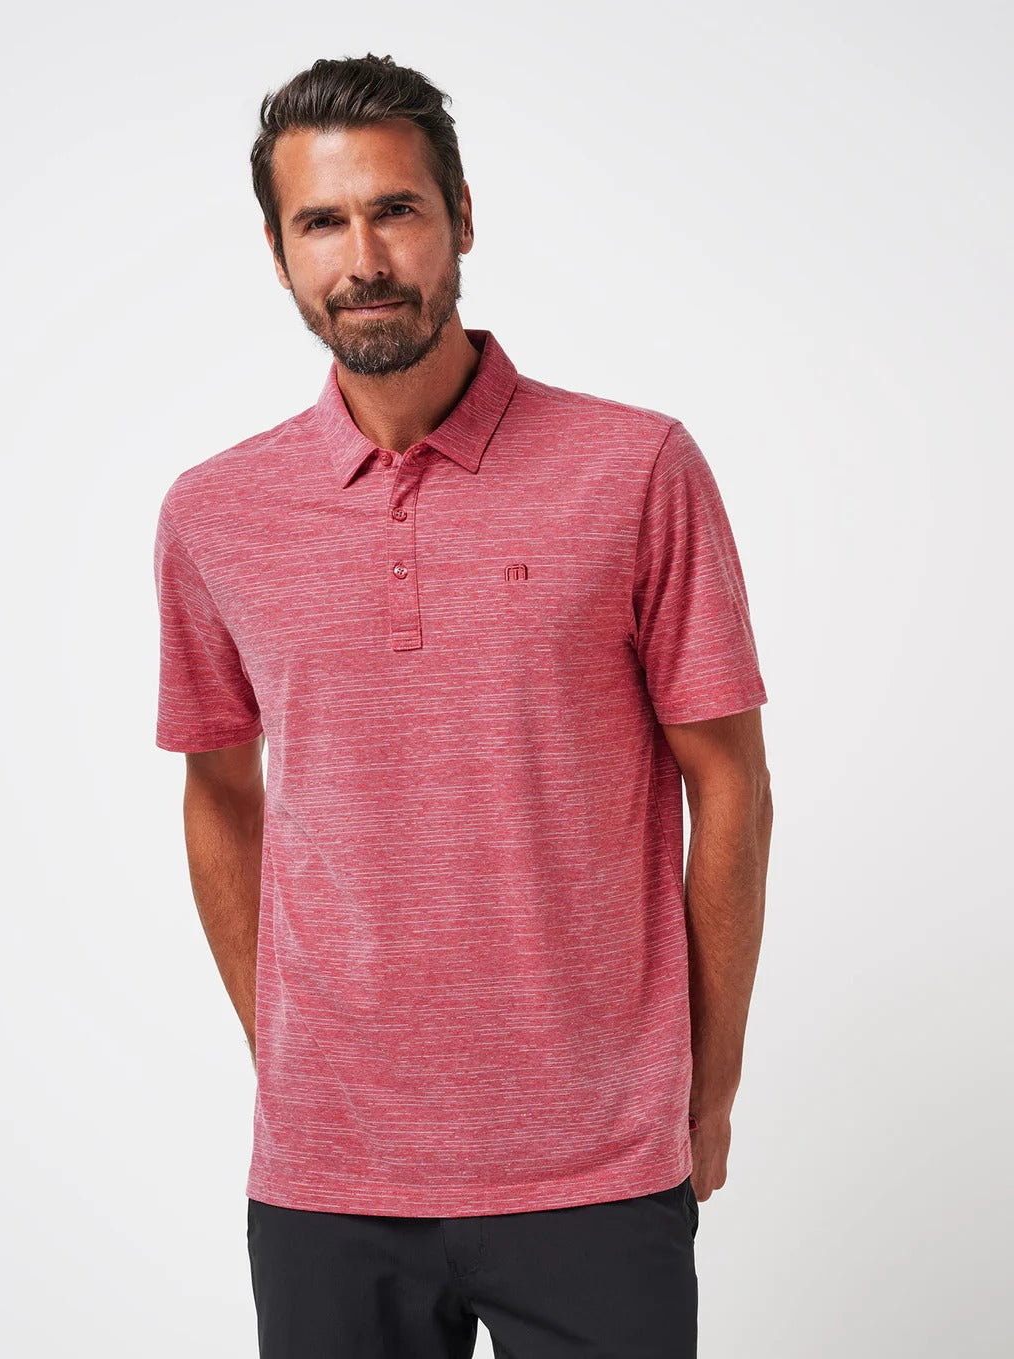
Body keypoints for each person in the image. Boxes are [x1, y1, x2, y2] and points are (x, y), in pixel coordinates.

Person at [152, 51, 773, 1359]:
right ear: (277, 253)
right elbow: (217, 789)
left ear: (463, 219)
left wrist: (707, 1084)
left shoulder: (636, 468)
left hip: (596, 1164)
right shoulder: (215, 514)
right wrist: (294, 1058)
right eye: (323, 222)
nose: (365, 258)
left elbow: (728, 781)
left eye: (397, 209)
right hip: (326, 1181)